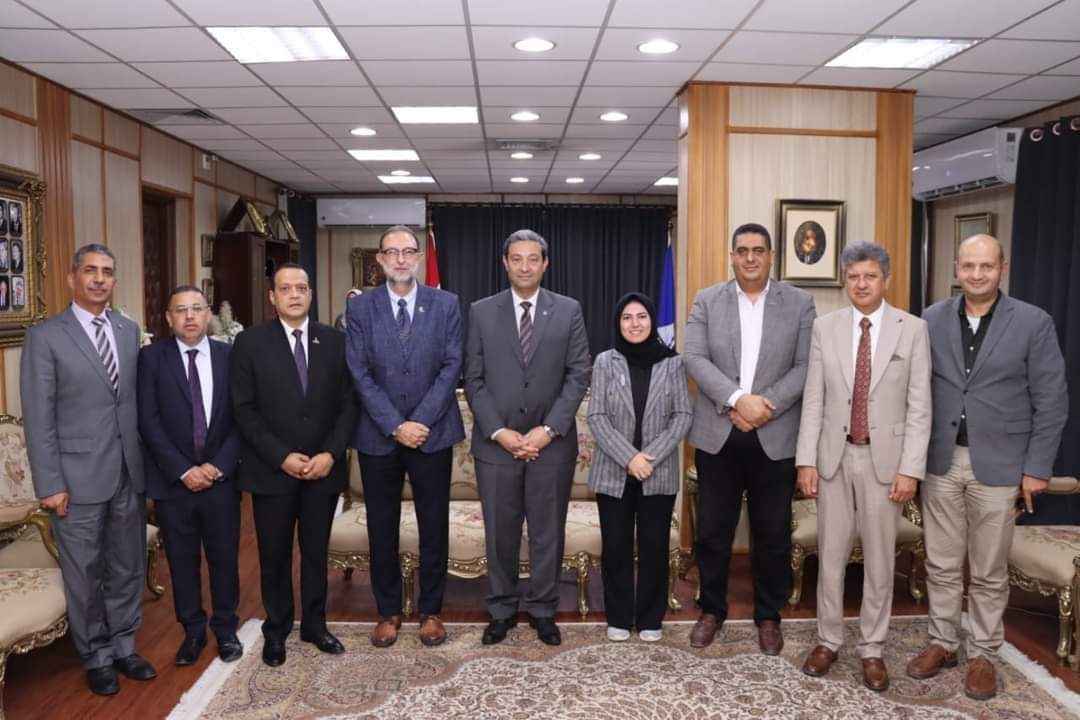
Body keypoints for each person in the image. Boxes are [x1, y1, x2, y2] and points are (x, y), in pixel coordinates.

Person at [906, 234, 1068, 700]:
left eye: (986, 266)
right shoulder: (931, 319)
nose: (977, 274)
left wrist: (1036, 468)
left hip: (1001, 466)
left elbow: (1052, 400)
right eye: (969, 266)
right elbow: (916, 389)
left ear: (1002, 268)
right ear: (956, 268)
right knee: (940, 562)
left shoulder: (1033, 322)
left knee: (989, 569)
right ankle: (943, 642)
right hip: (940, 461)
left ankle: (983, 654)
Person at [20, 243, 156, 696]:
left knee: (128, 565)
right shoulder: (45, 337)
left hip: (128, 472)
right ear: (72, 278)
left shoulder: (127, 330)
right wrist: (50, 484)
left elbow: (130, 402)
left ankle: (124, 646)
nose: (99, 279)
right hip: (74, 480)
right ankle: (96, 654)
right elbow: (39, 417)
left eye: (107, 272)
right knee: (84, 573)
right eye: (90, 271)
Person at [795, 241, 931, 692]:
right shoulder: (825, 327)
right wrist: (806, 460)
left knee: (879, 560)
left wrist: (910, 469)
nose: (861, 284)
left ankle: (872, 648)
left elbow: (920, 407)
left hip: (885, 461)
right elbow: (814, 398)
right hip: (833, 457)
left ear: (884, 279)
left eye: (870, 276)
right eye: (853, 277)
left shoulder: (912, 330)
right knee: (831, 556)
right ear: (844, 280)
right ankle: (828, 640)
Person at [683, 223, 815, 653]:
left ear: (771, 256)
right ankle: (711, 609)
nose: (751, 258)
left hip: (775, 435)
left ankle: (768, 615)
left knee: (772, 532)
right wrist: (739, 400)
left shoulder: (799, 303)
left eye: (758, 250)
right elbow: (694, 358)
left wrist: (764, 407)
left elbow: (805, 365)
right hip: (718, 433)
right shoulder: (707, 299)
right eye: (742, 251)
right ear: (732, 256)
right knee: (712, 531)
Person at [464, 229, 591, 646]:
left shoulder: (568, 310)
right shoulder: (481, 312)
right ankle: (501, 610)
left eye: (532, 258)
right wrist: (500, 432)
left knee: (546, 533)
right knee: (500, 533)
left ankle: (543, 611)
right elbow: (473, 379)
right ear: (505, 263)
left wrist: (547, 430)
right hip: (495, 447)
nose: (524, 266)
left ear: (545, 263)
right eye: (516, 258)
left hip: (551, 446)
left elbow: (578, 374)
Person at [231, 262, 357, 667]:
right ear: (272, 296)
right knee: (274, 554)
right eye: (285, 288)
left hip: (322, 470)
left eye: (301, 288)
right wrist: (281, 456)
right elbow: (244, 409)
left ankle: (315, 625)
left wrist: (330, 454)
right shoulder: (250, 343)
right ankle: (277, 628)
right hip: (272, 470)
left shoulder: (335, 341)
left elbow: (348, 405)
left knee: (316, 553)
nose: (295, 295)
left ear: (311, 294)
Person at [346, 226, 464, 648]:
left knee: (434, 525)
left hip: (433, 432)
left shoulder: (446, 304)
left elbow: (452, 365)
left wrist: (420, 422)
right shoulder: (360, 308)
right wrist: (396, 425)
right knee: (382, 527)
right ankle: (388, 611)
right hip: (379, 435)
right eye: (391, 252)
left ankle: (431, 611)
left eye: (407, 251)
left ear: (417, 258)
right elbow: (358, 371)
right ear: (380, 259)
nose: (400, 259)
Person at [137, 285, 243, 666]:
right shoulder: (151, 358)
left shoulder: (230, 356)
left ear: (208, 313)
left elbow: (242, 417)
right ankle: (193, 631)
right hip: (174, 483)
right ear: (169, 318)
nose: (190, 316)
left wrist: (217, 466)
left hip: (220, 480)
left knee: (224, 558)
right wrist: (183, 470)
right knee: (182, 562)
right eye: (181, 310)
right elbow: (148, 421)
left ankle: (226, 629)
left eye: (197, 308)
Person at [587, 292, 691, 642]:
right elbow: (597, 417)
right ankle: (618, 616)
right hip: (613, 472)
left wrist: (649, 457)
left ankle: (649, 618)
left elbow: (683, 416)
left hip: (657, 472)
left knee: (654, 547)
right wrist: (629, 458)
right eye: (627, 317)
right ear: (618, 323)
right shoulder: (605, 361)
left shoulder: (673, 363)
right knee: (615, 547)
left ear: (652, 321)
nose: (635, 324)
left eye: (642, 316)